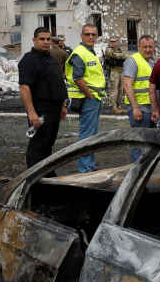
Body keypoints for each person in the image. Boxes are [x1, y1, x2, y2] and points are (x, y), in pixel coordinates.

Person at [17, 27, 68, 167]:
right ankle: (34, 178)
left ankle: (45, 173)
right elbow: (24, 87)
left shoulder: (51, 59)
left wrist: (62, 106)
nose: (46, 42)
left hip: (54, 109)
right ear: (34, 40)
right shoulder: (29, 60)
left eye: (48, 39)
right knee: (38, 145)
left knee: (48, 143)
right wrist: (31, 112)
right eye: (42, 39)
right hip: (40, 109)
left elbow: (58, 83)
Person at [64, 23, 106, 173]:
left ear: (97, 36)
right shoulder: (80, 53)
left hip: (93, 98)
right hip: (88, 99)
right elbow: (77, 78)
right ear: (81, 36)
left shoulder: (90, 52)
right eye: (87, 34)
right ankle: (86, 167)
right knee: (87, 135)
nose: (90, 37)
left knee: (91, 134)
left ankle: (89, 165)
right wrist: (90, 95)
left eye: (93, 34)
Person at [123, 35, 159, 135]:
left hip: (151, 108)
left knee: (150, 142)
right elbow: (127, 85)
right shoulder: (133, 61)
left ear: (154, 47)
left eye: (150, 47)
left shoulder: (153, 61)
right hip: (140, 108)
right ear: (139, 47)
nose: (148, 50)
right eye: (145, 47)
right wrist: (135, 108)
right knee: (139, 142)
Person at [104, 38, 127, 114]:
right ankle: (114, 107)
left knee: (121, 90)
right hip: (113, 71)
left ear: (117, 42)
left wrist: (119, 56)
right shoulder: (108, 50)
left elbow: (125, 56)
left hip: (121, 70)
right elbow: (113, 55)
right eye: (111, 41)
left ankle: (119, 106)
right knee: (114, 90)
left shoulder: (119, 49)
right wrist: (120, 56)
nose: (112, 43)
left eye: (114, 42)